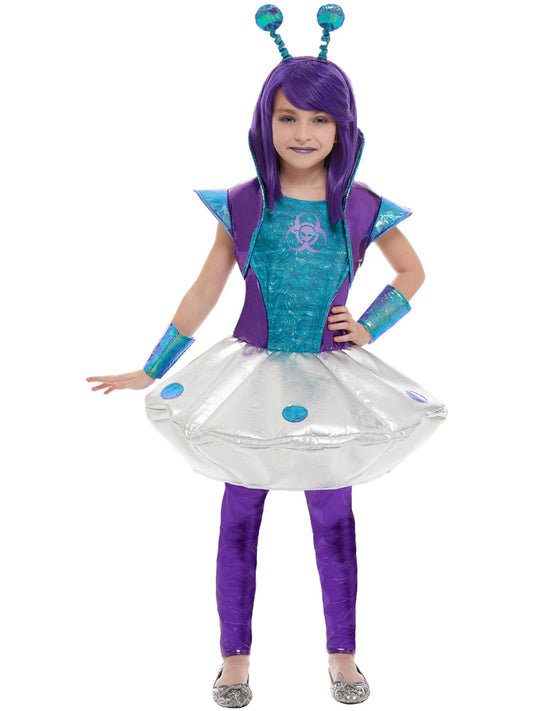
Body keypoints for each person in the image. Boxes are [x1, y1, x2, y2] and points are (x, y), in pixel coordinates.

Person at [87, 5, 446, 707]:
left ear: (342, 127)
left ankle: (342, 655)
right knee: (238, 518)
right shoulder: (244, 204)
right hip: (247, 381)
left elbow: (412, 273)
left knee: (333, 519)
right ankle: (234, 660)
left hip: (332, 382)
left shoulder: (361, 206)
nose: (303, 133)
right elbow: (204, 290)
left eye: (319, 119)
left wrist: (369, 325)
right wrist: (152, 367)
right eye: (287, 117)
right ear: (264, 121)